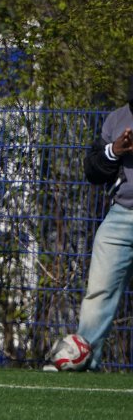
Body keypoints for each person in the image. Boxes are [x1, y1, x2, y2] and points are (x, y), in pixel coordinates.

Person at [61, 81, 133, 371]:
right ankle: (84, 361)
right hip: (121, 216)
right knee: (99, 292)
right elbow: (92, 171)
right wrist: (115, 150)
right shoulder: (117, 118)